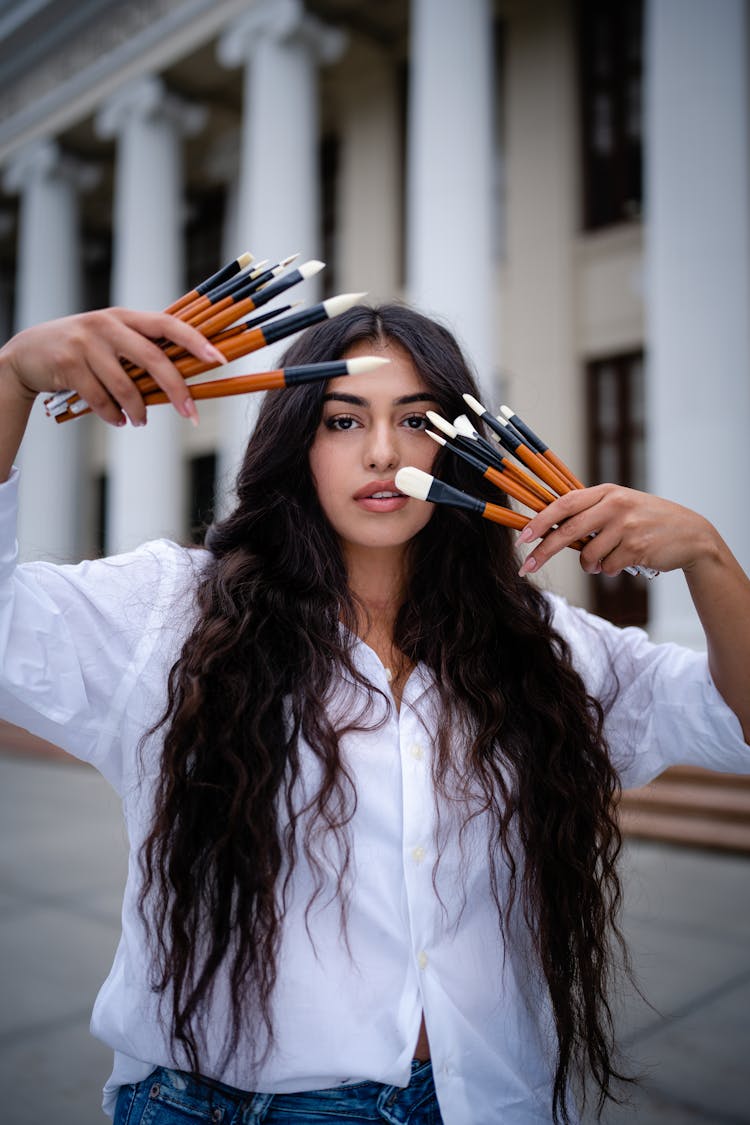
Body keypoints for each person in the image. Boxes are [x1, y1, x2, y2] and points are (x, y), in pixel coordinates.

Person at [0, 301, 748, 1125]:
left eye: (418, 421)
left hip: (490, 1100)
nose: (385, 453)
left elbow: (734, 719)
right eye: (343, 420)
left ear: (461, 448)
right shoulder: (172, 614)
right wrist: (10, 379)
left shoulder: (541, 645)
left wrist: (710, 558)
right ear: (298, 444)